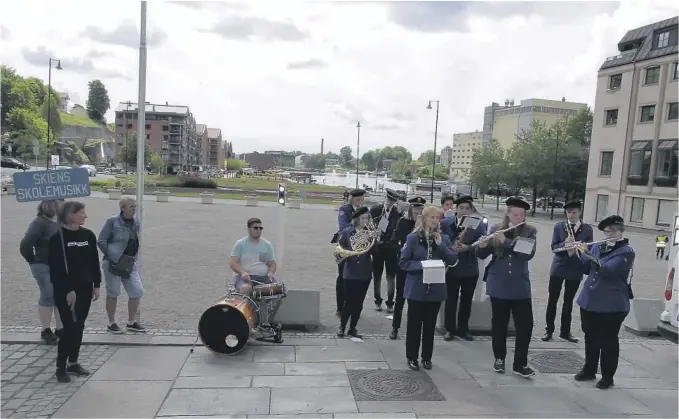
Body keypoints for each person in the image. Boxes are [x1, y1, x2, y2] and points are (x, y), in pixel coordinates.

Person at [476, 196, 537, 378]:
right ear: (508, 214)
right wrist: (483, 245)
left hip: (520, 286)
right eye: (515, 214)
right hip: (499, 284)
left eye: (522, 214)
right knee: (499, 324)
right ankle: (499, 358)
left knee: (525, 326)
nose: (519, 217)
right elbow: (481, 254)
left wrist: (507, 242)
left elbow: (528, 253)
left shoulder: (530, 231)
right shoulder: (496, 229)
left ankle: (520, 364)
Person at [574, 215, 634, 390]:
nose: (610, 234)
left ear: (621, 231)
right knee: (590, 337)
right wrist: (578, 252)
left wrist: (587, 253)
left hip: (611, 304)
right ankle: (589, 370)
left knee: (607, 340)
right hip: (590, 301)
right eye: (607, 231)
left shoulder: (626, 251)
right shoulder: (599, 247)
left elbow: (608, 270)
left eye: (614, 231)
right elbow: (586, 268)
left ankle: (608, 377)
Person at [47, 201, 101, 383]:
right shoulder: (57, 238)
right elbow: (56, 269)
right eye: (82, 213)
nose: (85, 216)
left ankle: (73, 362)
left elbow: (94, 261)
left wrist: (97, 284)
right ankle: (60, 367)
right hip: (66, 291)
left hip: (85, 288)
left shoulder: (88, 235)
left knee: (79, 327)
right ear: (71, 215)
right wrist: (68, 290)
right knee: (69, 328)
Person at [400, 205, 458, 371]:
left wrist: (441, 246)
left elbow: (453, 260)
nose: (434, 220)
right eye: (431, 217)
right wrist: (422, 265)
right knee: (414, 326)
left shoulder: (444, 239)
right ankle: (412, 357)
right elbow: (403, 262)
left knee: (430, 326)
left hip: (435, 290)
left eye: (437, 218)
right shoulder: (412, 238)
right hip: (416, 289)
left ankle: (427, 357)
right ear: (424, 219)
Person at [542, 200, 594, 343]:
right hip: (559, 267)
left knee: (568, 302)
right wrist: (565, 244)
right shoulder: (559, 227)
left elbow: (589, 250)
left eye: (574, 212)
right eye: (569, 212)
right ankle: (549, 330)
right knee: (552, 300)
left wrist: (581, 249)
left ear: (579, 213)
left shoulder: (587, 229)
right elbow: (554, 247)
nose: (571, 215)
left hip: (575, 269)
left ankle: (565, 331)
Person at [440, 195, 487, 341]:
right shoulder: (446, 223)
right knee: (450, 300)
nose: (464, 211)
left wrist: (467, 248)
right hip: (452, 268)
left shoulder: (478, 224)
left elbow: (482, 245)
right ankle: (449, 329)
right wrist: (450, 247)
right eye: (461, 208)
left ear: (471, 210)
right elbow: (439, 242)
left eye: (467, 208)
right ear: (456, 209)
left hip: (469, 268)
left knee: (466, 301)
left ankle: (463, 328)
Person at [98, 198, 145, 334]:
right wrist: (112, 255)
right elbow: (101, 240)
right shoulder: (112, 221)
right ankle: (111, 323)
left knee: (137, 291)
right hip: (113, 261)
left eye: (135, 206)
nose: (134, 209)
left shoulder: (136, 222)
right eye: (131, 206)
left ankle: (131, 322)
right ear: (122, 208)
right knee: (113, 292)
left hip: (130, 262)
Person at [19, 200, 63, 344]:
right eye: (61, 202)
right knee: (48, 293)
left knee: (60, 295)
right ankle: (45, 329)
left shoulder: (60, 221)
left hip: (58, 264)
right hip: (43, 264)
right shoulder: (39, 222)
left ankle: (60, 328)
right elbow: (26, 244)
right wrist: (33, 260)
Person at [389, 196, 426, 340]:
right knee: (400, 297)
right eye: (416, 208)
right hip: (405, 265)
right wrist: (402, 250)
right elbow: (393, 242)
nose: (418, 211)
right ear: (411, 208)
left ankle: (414, 327)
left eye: (420, 208)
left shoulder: (426, 225)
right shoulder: (403, 222)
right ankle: (395, 327)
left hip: (419, 267)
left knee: (415, 299)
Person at [337, 206, 374, 338]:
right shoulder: (348, 232)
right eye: (363, 218)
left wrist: (375, 241)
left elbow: (374, 253)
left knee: (359, 303)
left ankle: (353, 328)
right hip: (350, 271)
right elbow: (340, 248)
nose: (365, 221)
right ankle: (342, 326)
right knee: (349, 301)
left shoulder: (370, 233)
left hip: (364, 272)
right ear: (357, 219)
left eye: (367, 218)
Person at [331, 189, 366, 316]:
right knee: (342, 278)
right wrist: (358, 223)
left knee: (355, 280)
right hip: (345, 247)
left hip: (358, 250)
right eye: (358, 200)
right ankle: (340, 308)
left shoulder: (364, 211)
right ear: (352, 199)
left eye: (362, 200)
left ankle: (352, 306)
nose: (360, 203)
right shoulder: (344, 209)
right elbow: (343, 227)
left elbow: (368, 226)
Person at [369, 188, 403, 312]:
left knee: (390, 277)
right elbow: (368, 226)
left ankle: (390, 303)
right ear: (385, 198)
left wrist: (400, 213)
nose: (389, 202)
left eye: (392, 200)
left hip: (391, 248)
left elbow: (400, 229)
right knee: (377, 276)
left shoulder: (398, 213)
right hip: (378, 248)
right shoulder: (375, 210)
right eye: (388, 199)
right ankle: (377, 301)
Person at [230, 217, 277, 295]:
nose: (258, 230)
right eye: (256, 228)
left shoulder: (267, 245)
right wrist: (242, 272)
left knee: (277, 290)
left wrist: (271, 273)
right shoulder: (240, 244)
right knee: (245, 288)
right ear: (249, 229)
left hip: (264, 277)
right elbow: (232, 263)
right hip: (245, 277)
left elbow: (272, 264)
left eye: (260, 228)